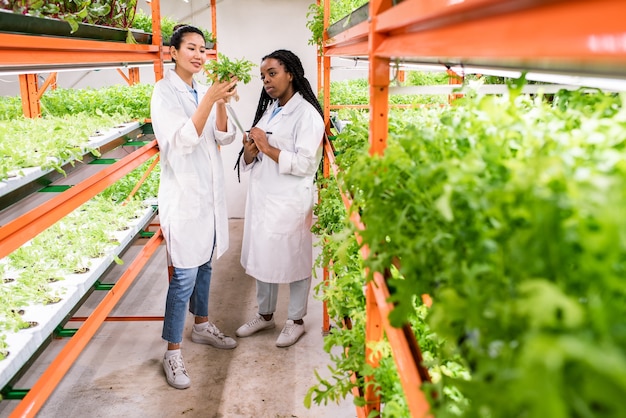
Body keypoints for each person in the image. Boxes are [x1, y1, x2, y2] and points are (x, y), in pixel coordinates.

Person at [150, 24, 239, 390]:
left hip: (208, 195)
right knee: (183, 275)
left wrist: (219, 101)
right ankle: (172, 351)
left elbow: (223, 136)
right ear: (173, 52)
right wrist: (207, 100)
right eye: (191, 48)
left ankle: (201, 326)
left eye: (203, 49)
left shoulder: (202, 88)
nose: (200, 55)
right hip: (185, 196)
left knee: (204, 265)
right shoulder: (164, 92)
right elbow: (182, 141)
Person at [235, 49, 325, 348]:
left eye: (272, 73)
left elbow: (306, 165)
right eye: (263, 76)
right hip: (264, 199)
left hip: (289, 201)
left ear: (290, 73)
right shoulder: (271, 108)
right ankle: (265, 314)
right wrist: (250, 152)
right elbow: (256, 155)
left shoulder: (307, 115)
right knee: (264, 255)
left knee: (294, 257)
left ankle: (296, 320)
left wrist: (267, 146)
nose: (267, 81)